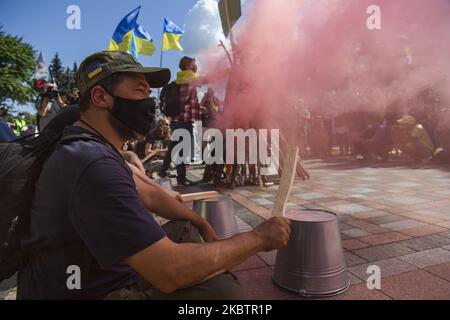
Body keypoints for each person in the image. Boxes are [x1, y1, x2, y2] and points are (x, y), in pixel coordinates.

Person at [17, 51, 291, 300]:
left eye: (150, 93)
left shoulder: (89, 144)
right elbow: (168, 270)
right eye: (139, 91)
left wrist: (197, 219)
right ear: (101, 97)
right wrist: (259, 238)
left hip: (99, 269)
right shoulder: (92, 163)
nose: (149, 103)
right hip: (87, 290)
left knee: (185, 227)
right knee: (221, 293)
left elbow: (147, 192)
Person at [159, 56, 203, 186]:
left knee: (174, 147)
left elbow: (188, 103)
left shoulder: (180, 80)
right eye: (194, 64)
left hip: (177, 120)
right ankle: (181, 179)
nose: (196, 67)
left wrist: (200, 108)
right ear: (188, 66)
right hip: (184, 121)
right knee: (182, 150)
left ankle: (163, 170)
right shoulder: (189, 80)